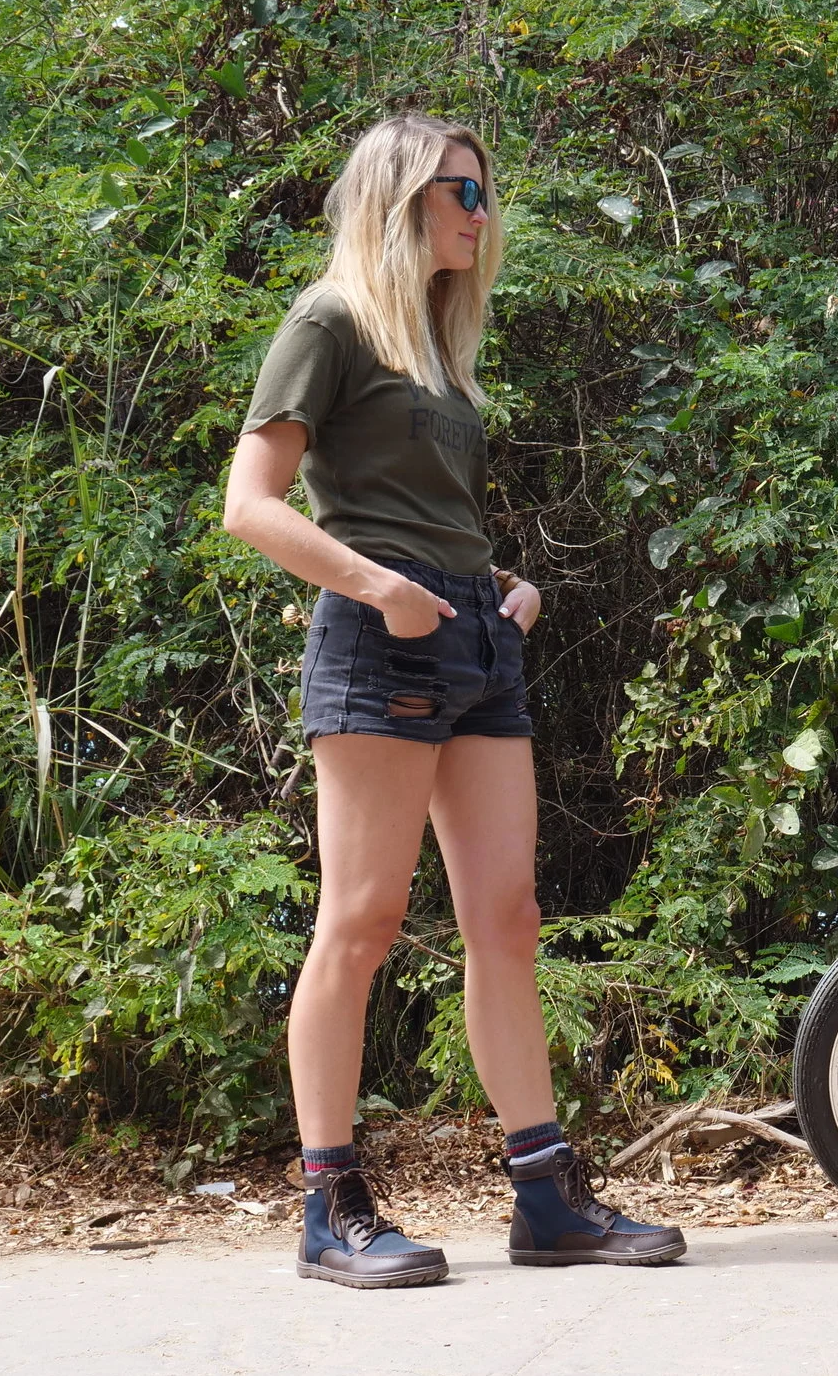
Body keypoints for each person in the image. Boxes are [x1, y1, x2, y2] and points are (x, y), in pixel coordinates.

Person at [224, 112, 682, 1288]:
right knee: (364, 919)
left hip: (473, 633)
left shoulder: (430, 338)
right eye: (460, 194)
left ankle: (547, 1201)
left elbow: (427, 508)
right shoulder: (328, 320)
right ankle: (331, 1209)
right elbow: (252, 504)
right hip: (383, 641)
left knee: (508, 917)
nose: (482, 216)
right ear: (400, 199)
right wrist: (384, 587)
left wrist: (496, 584)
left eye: (484, 195)